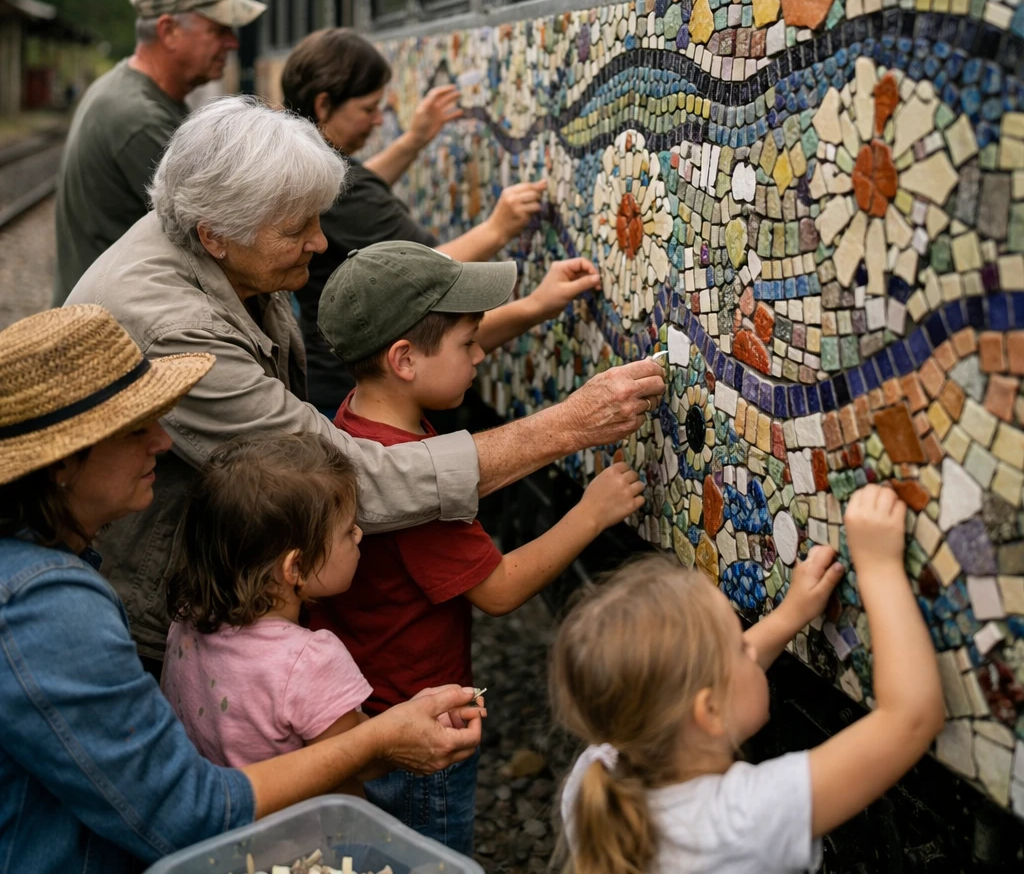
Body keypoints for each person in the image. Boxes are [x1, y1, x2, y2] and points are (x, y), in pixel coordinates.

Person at [65, 96, 666, 672]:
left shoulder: (223, 244)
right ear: (214, 234)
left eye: (318, 220)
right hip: (155, 605)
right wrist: (569, 424)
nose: (321, 242)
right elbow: (342, 485)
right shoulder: (178, 329)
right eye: (297, 228)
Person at [0, 305, 483, 873]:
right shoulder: (47, 610)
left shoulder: (147, 598)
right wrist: (381, 740)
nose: (161, 440)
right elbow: (188, 812)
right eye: (136, 428)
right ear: (60, 466)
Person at [308, 239, 647, 853]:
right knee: (427, 857)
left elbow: (450, 362)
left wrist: (539, 305)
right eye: (468, 344)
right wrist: (591, 513)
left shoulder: (358, 418)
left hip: (371, 695)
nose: (479, 357)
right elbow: (500, 588)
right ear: (404, 360)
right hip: (420, 729)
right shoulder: (413, 487)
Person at [552, 484, 945, 874]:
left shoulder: (599, 772)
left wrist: (791, 615)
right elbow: (909, 718)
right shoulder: (742, 821)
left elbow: (693, 679)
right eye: (739, 648)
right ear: (709, 711)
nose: (750, 648)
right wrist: (879, 564)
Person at [281, 27, 600, 412]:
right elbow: (423, 276)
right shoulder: (338, 190)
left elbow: (357, 187)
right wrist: (498, 229)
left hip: (332, 386)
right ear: (323, 105)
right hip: (343, 391)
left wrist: (414, 140)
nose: (379, 121)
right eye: (368, 109)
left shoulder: (307, 167)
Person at [163, 431, 482, 789]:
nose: (359, 535)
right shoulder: (309, 660)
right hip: (307, 840)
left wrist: (410, 713)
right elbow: (355, 761)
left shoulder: (187, 619)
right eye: (347, 531)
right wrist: (423, 726)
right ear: (294, 569)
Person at [52, 0, 265, 303]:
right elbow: (221, 234)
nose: (232, 43)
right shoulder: (139, 117)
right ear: (168, 31)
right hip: (108, 330)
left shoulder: (134, 92)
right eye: (218, 30)